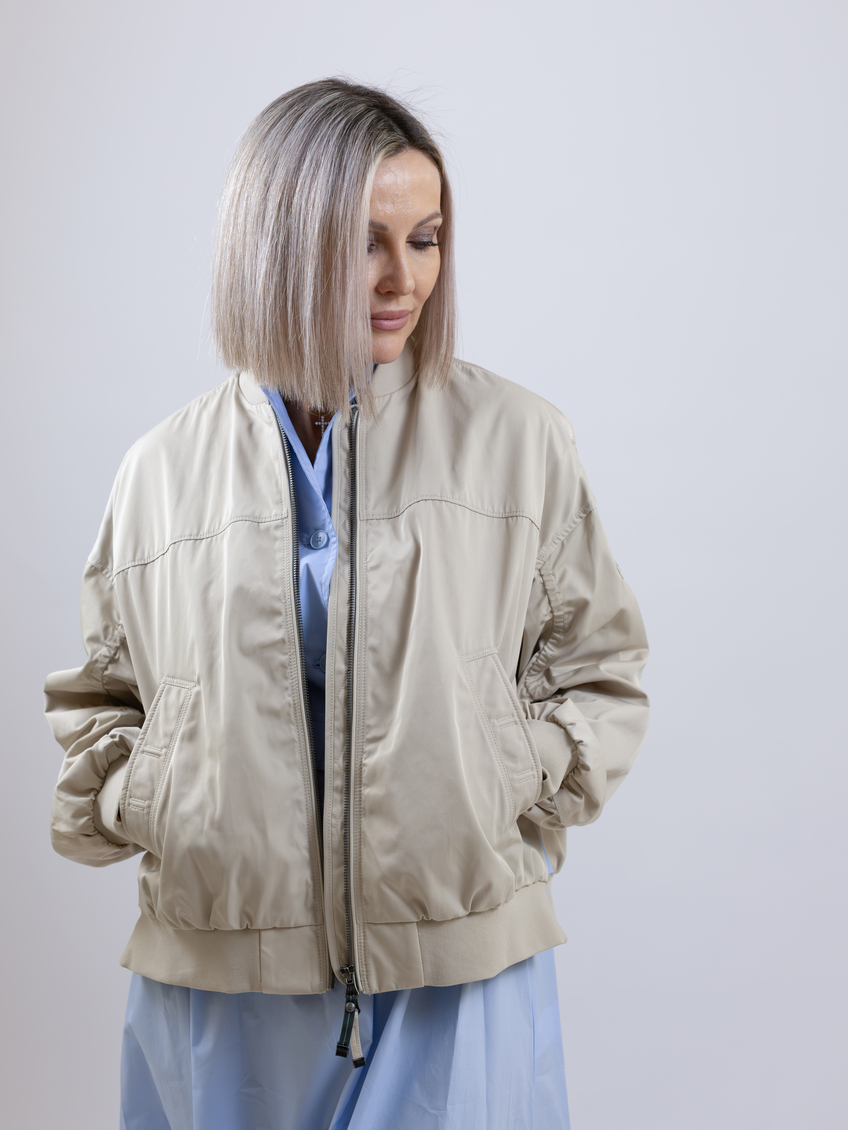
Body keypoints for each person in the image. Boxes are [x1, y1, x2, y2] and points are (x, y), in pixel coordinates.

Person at [45, 79, 650, 1130]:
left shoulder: (517, 439)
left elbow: (599, 669)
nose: (404, 279)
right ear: (277, 244)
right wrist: (153, 800)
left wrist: (507, 773)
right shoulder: (160, 470)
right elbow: (103, 696)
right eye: (366, 242)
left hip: (456, 961)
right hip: (222, 977)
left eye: (425, 239)